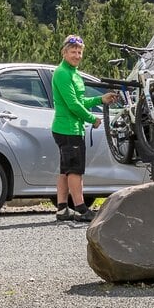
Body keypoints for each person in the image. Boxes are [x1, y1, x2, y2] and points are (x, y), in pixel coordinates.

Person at [51, 35, 116, 222]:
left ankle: (62, 209)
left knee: (65, 170)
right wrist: (91, 119)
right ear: (64, 52)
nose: (77, 55)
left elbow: (80, 101)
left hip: (71, 128)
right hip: (68, 128)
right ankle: (81, 208)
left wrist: (99, 99)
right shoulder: (62, 73)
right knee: (75, 170)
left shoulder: (74, 73)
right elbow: (72, 105)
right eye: (73, 52)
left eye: (79, 52)